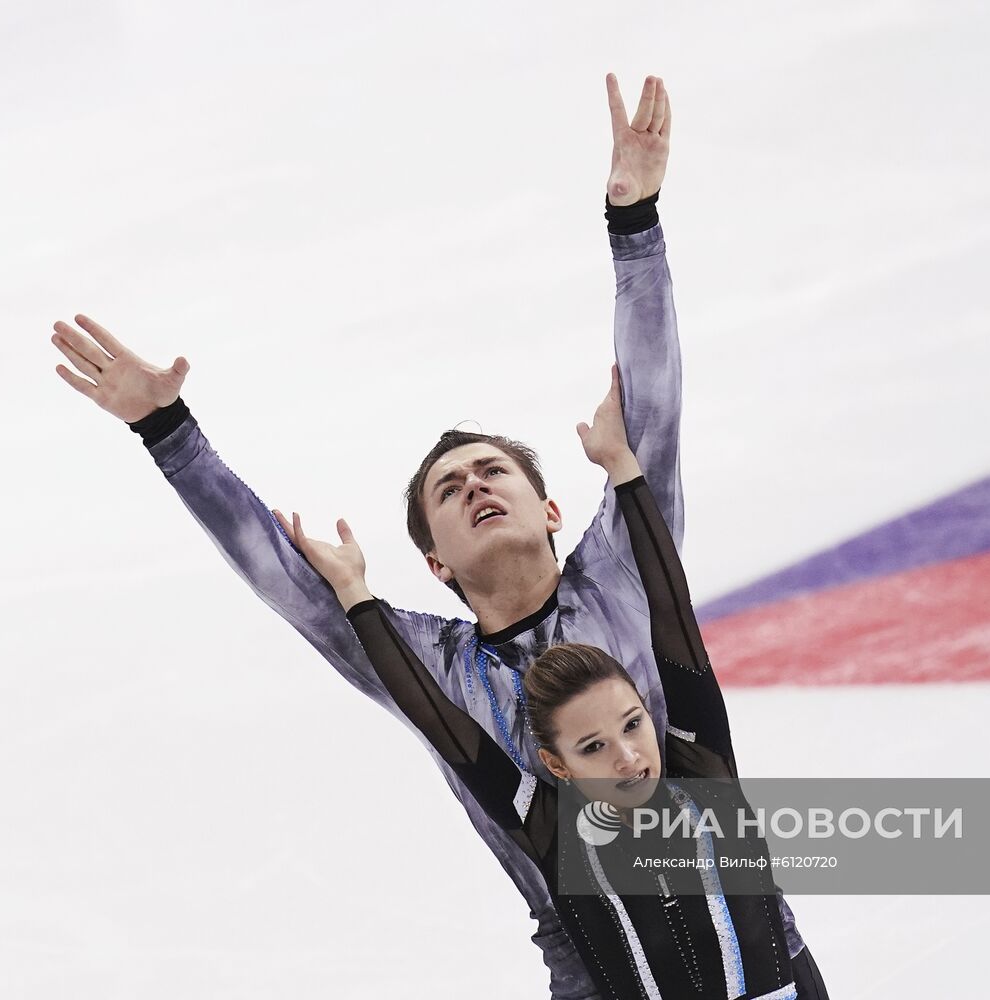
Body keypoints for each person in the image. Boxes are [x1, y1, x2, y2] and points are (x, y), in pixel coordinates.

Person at [50, 73, 807, 997]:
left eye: (496, 472)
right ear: (435, 561)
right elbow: (281, 575)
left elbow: (650, 418)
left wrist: (634, 221)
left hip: (756, 946)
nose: (478, 484)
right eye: (452, 489)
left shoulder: (617, 578)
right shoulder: (425, 663)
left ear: (552, 507)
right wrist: (171, 435)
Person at [305, 367, 829, 999]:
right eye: (594, 747)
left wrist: (623, 467)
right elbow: (445, 729)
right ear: (554, 764)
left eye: (633, 724)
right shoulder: (553, 833)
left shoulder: (704, 767)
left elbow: (671, 614)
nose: (628, 754)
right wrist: (357, 600)